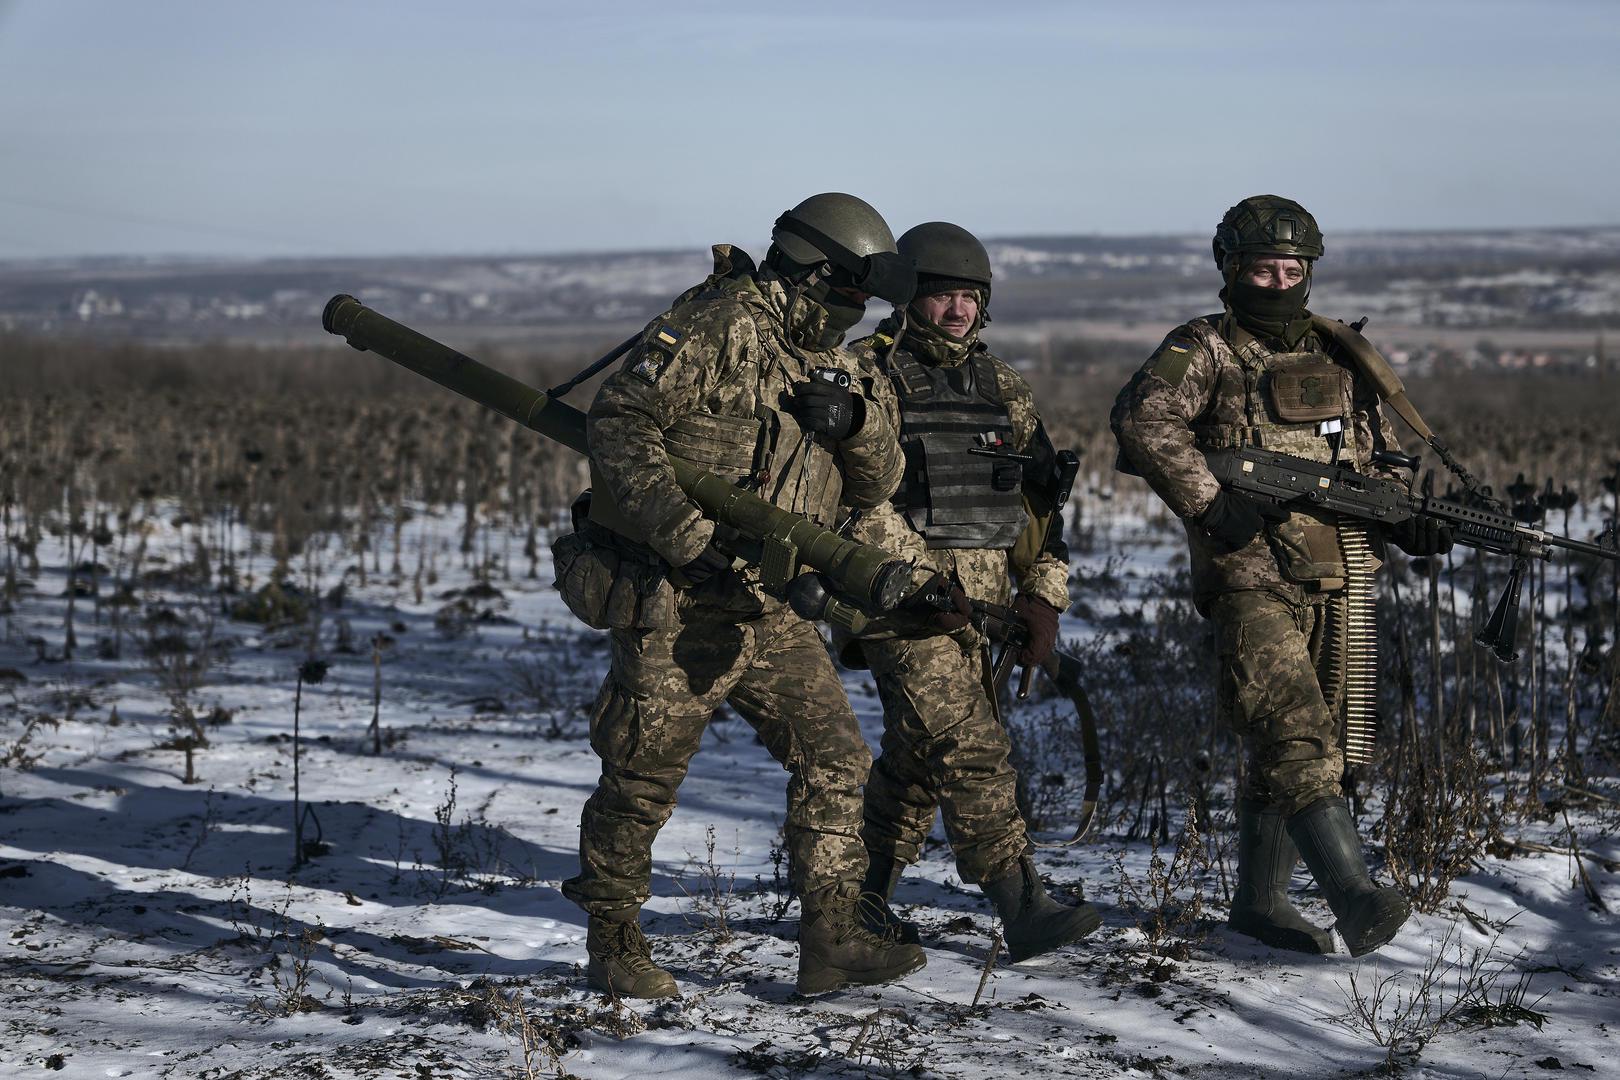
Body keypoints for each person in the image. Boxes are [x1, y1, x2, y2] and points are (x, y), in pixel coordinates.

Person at [558, 193, 927, 997]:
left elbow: (880, 484)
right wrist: (690, 540)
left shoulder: (837, 357)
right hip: (680, 604)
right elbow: (619, 423)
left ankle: (831, 936)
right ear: (814, 271)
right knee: (641, 778)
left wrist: (856, 424)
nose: (858, 312)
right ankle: (614, 939)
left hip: (774, 607)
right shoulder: (719, 327)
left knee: (837, 762)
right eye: (851, 292)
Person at [1110, 195, 1448, 957]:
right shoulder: (1206, 348)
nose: (1278, 281)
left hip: (1339, 571)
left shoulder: (1340, 355)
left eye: (1292, 268)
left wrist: (1407, 519)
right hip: (1249, 573)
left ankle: (1260, 907)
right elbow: (1141, 419)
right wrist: (1207, 502)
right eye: (1262, 268)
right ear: (1231, 269)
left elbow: (1374, 462)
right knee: (1297, 737)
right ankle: (1355, 896)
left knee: (1307, 744)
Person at [840, 222, 1100, 962]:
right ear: (905, 298)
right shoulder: (866, 374)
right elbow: (857, 502)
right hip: (901, 603)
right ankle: (1021, 903)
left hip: (986, 613)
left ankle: (857, 896)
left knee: (919, 760)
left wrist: (1042, 598)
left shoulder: (1001, 385)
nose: (956, 311)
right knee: (968, 747)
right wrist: (922, 582)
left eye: (968, 296)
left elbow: (1041, 511)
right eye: (939, 295)